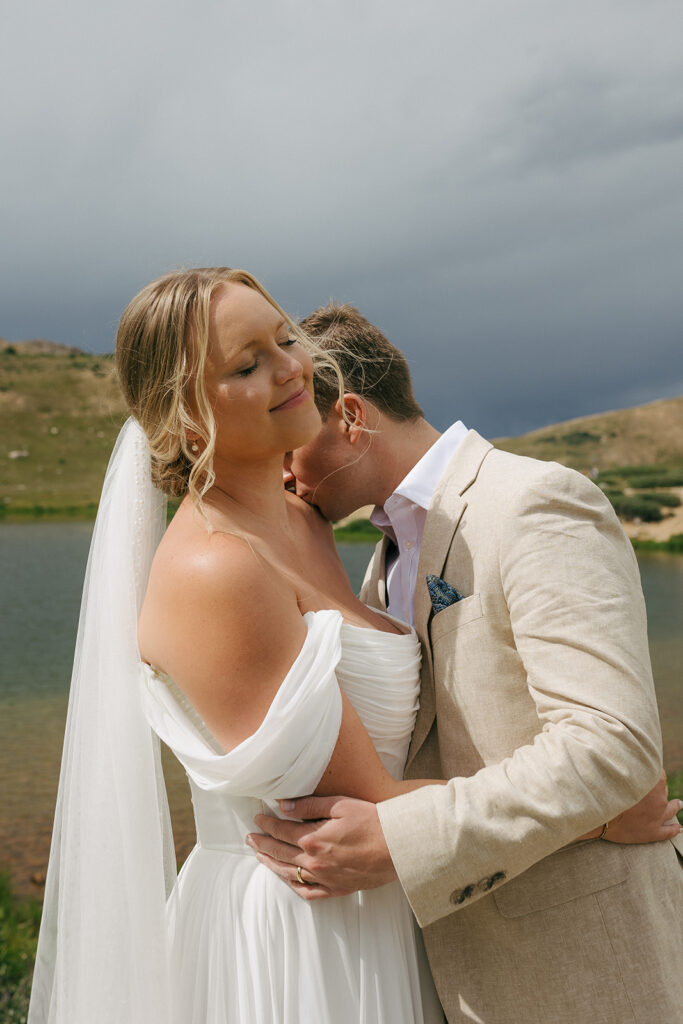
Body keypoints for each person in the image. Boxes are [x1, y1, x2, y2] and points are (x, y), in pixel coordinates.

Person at [27, 274, 674, 1024]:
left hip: (422, 927)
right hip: (300, 939)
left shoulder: (316, 527)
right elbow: (362, 805)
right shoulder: (218, 567)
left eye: (284, 340)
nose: (290, 367)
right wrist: (597, 819)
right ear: (188, 418)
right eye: (245, 365)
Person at [249, 303, 683, 1024]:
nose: (285, 480)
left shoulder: (531, 503)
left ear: (349, 418)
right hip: (457, 969)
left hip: (584, 966)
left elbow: (613, 746)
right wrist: (596, 821)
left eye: (286, 448)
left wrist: (399, 838)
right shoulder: (376, 561)